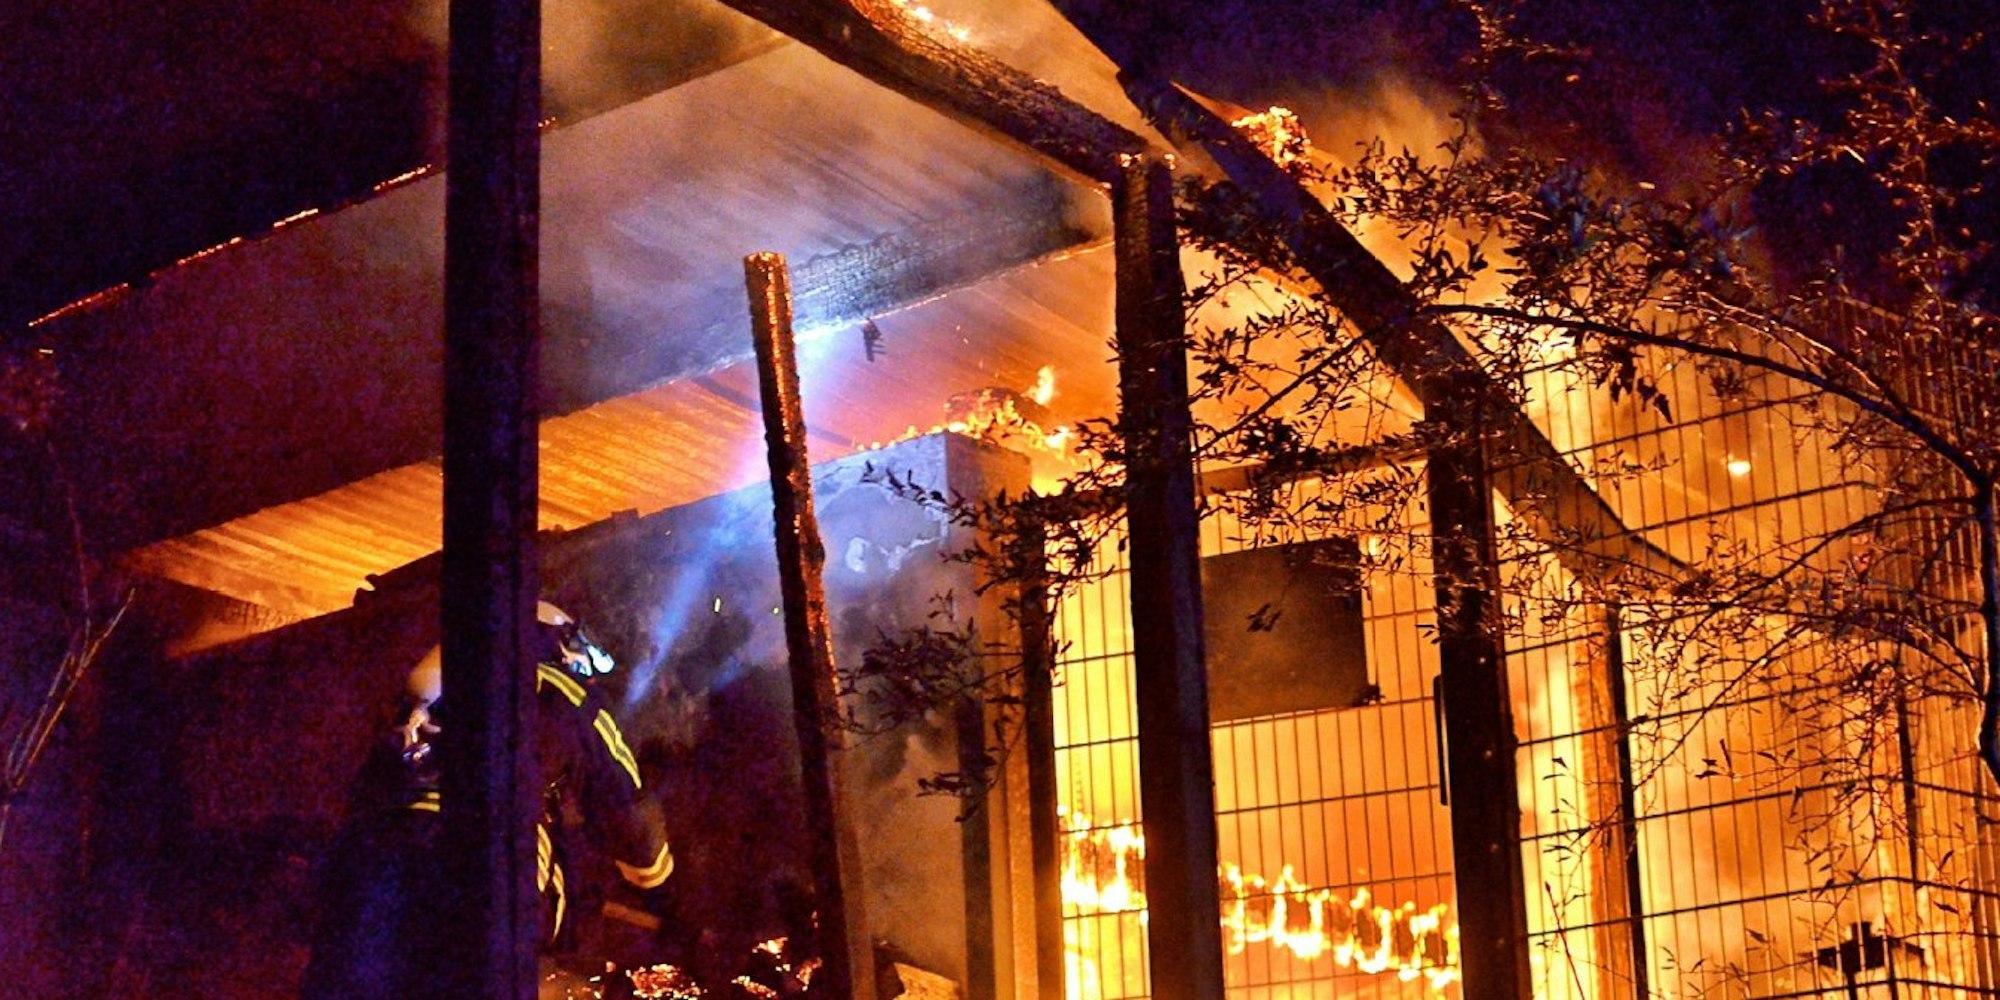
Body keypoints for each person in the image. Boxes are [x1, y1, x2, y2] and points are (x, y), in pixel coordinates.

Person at [302, 601, 673, 998]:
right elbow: (626, 804)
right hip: (488, 863)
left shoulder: (420, 700)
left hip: (371, 867)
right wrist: (660, 888)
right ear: (552, 640)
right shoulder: (563, 692)